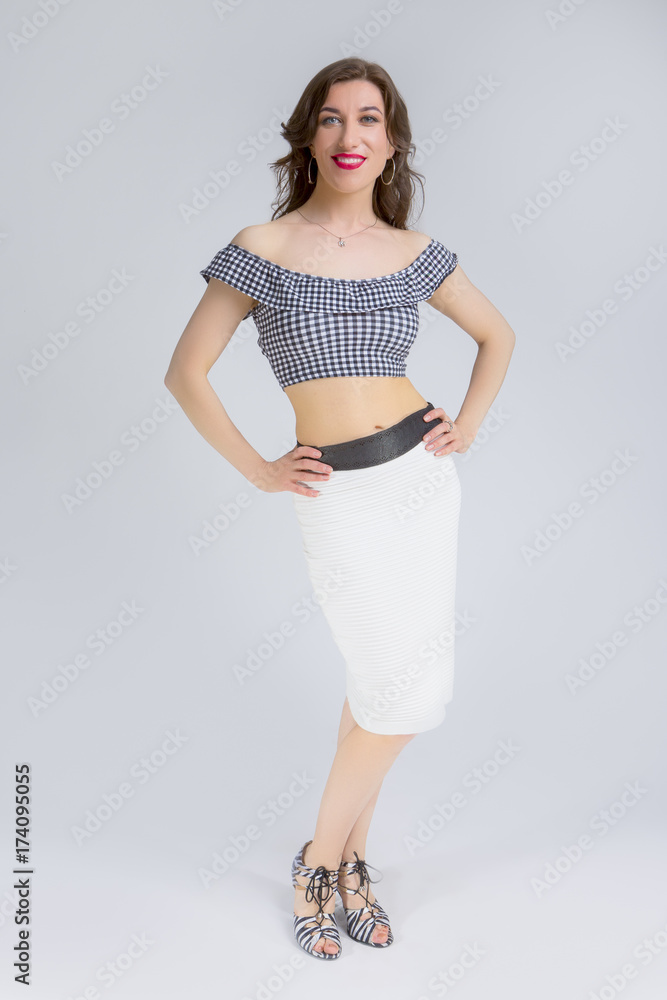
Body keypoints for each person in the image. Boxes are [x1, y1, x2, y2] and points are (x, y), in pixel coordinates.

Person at [164, 57, 515, 962]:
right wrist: (259, 470)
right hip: (337, 492)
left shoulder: (414, 252)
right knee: (396, 689)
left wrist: (467, 424)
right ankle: (319, 865)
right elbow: (185, 372)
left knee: (387, 685)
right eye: (331, 118)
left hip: (420, 481)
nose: (349, 135)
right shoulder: (263, 246)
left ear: (391, 143)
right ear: (307, 138)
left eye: (368, 119)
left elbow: (496, 334)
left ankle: (346, 863)